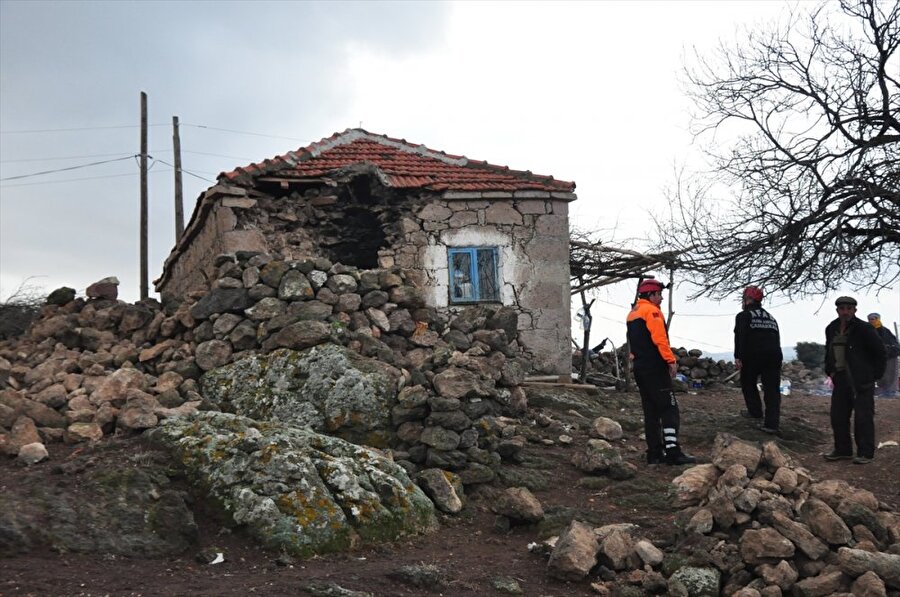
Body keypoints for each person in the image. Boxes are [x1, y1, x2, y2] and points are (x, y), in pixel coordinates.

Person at [626, 278, 696, 465]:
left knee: (650, 410)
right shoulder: (652, 312)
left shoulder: (632, 313)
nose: (662, 298)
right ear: (651, 294)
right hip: (655, 367)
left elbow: (632, 342)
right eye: (659, 294)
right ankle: (673, 452)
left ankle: (654, 453)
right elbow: (660, 340)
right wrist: (670, 360)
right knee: (669, 407)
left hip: (640, 368)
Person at [823, 297, 886, 464]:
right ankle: (843, 450)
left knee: (863, 417)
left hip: (861, 380)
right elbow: (828, 350)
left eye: (849, 309)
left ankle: (865, 453)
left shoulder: (864, 329)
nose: (845, 312)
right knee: (838, 416)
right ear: (837, 310)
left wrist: (874, 376)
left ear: (855, 310)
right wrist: (830, 371)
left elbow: (880, 352)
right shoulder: (831, 328)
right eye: (842, 308)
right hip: (841, 378)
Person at [733, 286, 783, 433]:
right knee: (772, 391)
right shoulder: (771, 317)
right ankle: (772, 424)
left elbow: (740, 337)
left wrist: (738, 356)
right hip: (774, 357)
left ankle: (755, 412)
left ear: (747, 299)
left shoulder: (743, 315)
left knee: (748, 383)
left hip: (753, 356)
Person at [867, 312, 899, 398]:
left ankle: (890, 391)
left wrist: (888, 350)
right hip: (876, 358)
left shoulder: (886, 331)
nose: (872, 321)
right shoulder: (867, 331)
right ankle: (881, 391)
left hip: (889, 356)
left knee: (890, 374)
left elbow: (895, 345)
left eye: (874, 319)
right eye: (870, 319)